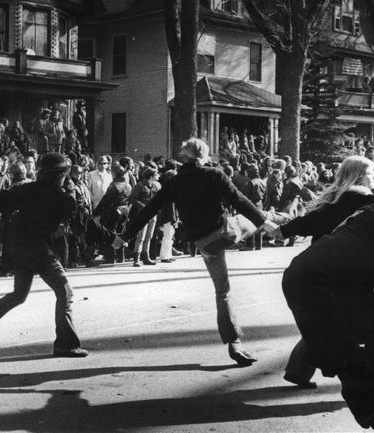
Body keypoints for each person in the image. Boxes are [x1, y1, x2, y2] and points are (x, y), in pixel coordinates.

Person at [114, 138, 276, 366]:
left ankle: (235, 342)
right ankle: (274, 221)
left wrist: (124, 236)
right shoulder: (214, 174)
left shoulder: (175, 182)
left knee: (223, 292)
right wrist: (264, 222)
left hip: (204, 243)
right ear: (204, 156)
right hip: (225, 231)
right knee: (249, 220)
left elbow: (149, 209)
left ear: (184, 156)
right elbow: (238, 200)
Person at [0, 153, 94, 357]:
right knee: (65, 292)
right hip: (39, 252)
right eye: (64, 173)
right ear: (59, 174)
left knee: (18, 295)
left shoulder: (28, 188)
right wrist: (71, 190)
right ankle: (65, 345)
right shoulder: (60, 195)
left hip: (21, 249)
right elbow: (80, 217)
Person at [274, 156, 374, 389]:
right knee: (336, 324)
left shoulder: (333, 197)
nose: (373, 177)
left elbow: (307, 222)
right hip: (343, 271)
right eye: (370, 172)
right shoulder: (364, 199)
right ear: (359, 175)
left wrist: (282, 230)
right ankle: (359, 387)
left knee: (323, 322)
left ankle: (298, 371)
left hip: (319, 265)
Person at [282, 203, 374, 428]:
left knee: (348, 361)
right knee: (352, 364)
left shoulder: (366, 210)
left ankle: (367, 410)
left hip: (306, 279)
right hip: (323, 287)